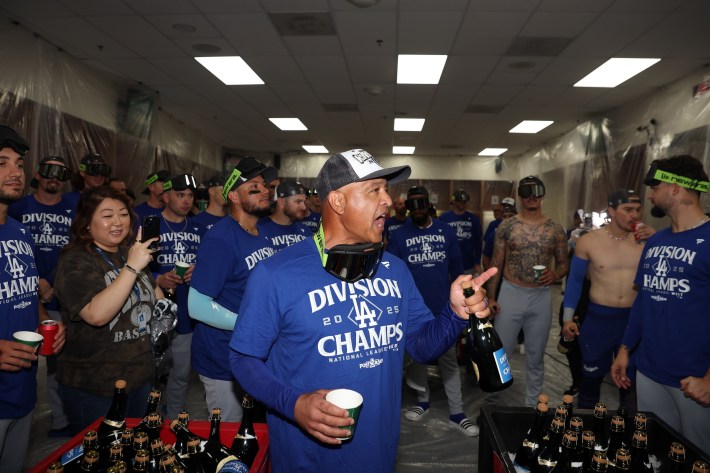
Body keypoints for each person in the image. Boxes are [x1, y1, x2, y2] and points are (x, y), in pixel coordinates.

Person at [228, 149, 496, 471]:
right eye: (374, 190)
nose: (387, 200)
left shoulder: (395, 270)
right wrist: (295, 405)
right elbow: (243, 359)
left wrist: (455, 314)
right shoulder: (275, 274)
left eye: (386, 189)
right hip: (307, 459)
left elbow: (422, 347)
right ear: (338, 202)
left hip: (379, 454)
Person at [611, 155, 710, 454]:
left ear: (677, 188)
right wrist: (625, 350)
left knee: (698, 456)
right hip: (650, 372)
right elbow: (644, 299)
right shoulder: (656, 241)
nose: (650, 194)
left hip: (694, 378)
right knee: (655, 453)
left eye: (656, 186)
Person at [54, 186, 163, 435]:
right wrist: (132, 267)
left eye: (123, 214)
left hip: (140, 376)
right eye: (107, 215)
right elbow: (96, 315)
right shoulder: (75, 260)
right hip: (95, 385)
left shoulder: (130, 253)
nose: (117, 222)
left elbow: (155, 298)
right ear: (86, 223)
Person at [188, 157, 277, 422]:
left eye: (265, 186)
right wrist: (251, 324)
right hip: (223, 361)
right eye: (254, 187)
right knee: (229, 441)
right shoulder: (221, 240)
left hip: (254, 355)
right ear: (234, 197)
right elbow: (198, 305)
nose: (264, 191)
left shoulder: (261, 233)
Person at [0, 125, 66, 471]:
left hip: (22, 389)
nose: (15, 172)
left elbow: (26, 291)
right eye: (2, 163)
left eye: (19, 164)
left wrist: (46, 321)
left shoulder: (20, 230)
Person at [388, 186, 478, 436]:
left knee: (449, 360)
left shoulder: (446, 231)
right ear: (407, 207)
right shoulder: (399, 236)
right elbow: (393, 272)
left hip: (443, 308)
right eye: (412, 205)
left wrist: (465, 299)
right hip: (414, 309)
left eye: (421, 204)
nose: (417, 210)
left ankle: (457, 412)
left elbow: (458, 269)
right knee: (417, 358)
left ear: (428, 204)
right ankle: (422, 401)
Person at [562, 190, 654, 410]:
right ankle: (584, 433)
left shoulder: (647, 241)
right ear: (611, 211)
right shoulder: (589, 242)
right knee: (590, 381)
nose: (635, 214)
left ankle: (627, 435)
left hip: (632, 320)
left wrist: (657, 238)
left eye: (638, 209)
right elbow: (574, 282)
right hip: (599, 319)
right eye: (628, 209)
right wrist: (567, 319)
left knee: (628, 382)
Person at [486, 175, 569, 407]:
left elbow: (563, 264)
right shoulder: (507, 226)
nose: (532, 196)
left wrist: (555, 274)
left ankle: (533, 407)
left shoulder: (556, 229)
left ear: (543, 195)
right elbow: (496, 263)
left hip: (540, 296)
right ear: (520, 196)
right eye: (526, 192)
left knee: (536, 355)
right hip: (511, 294)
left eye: (536, 191)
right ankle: (493, 402)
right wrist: (491, 297)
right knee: (500, 353)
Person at [8, 155, 74, 437]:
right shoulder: (18, 207)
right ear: (37, 173)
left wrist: (54, 282)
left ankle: (63, 421)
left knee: (60, 366)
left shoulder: (74, 206)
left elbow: (78, 249)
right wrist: (38, 283)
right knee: (25, 360)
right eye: (48, 171)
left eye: (60, 173)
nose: (53, 178)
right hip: (25, 296)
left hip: (64, 297)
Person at [153, 174, 206, 418]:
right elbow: (131, 266)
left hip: (185, 310)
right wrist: (157, 279)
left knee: (181, 372)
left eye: (190, 196)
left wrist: (199, 270)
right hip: (154, 310)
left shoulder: (197, 227)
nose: (186, 201)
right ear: (165, 196)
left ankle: (174, 418)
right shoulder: (152, 225)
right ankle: (146, 419)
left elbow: (209, 266)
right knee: (149, 371)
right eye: (179, 195)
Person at [257, 180, 310, 252]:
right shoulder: (259, 229)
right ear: (281, 202)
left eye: (304, 201)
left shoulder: (306, 230)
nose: (304, 207)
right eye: (298, 201)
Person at [439, 189, 483, 275]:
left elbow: (478, 243)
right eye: (460, 201)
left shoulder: (474, 219)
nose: (463, 204)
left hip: (468, 264)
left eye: (464, 201)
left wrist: (478, 263)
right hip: (448, 265)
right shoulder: (443, 218)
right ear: (454, 201)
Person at [482, 197, 515, 269]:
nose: (507, 218)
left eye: (510, 216)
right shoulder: (494, 228)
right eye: (505, 216)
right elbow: (486, 254)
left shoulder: (521, 232)